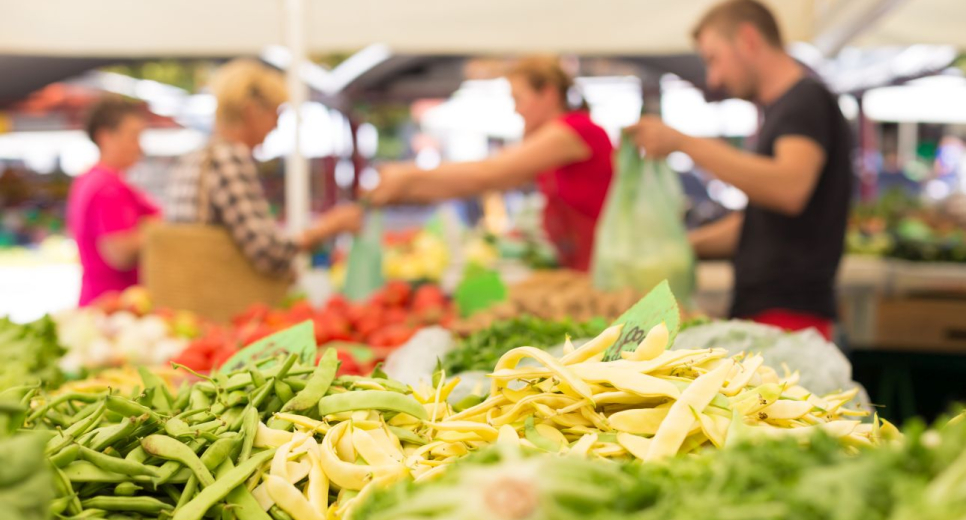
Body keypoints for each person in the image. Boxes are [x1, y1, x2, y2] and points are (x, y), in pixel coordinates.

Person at [627, 0, 853, 339]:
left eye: (714, 59)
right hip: (770, 311)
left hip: (791, 315)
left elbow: (788, 189)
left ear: (748, 39)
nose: (714, 77)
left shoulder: (806, 102)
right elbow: (759, 224)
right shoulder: (783, 111)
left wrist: (684, 143)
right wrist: (683, 246)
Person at [367, 56, 614, 271]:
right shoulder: (556, 140)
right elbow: (482, 182)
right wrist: (406, 191)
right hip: (581, 266)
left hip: (603, 267)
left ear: (548, 94)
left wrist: (409, 175)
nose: (516, 110)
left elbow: (489, 173)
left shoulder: (575, 130)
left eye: (518, 99)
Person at [167, 59, 362, 277]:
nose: (276, 126)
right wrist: (329, 227)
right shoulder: (228, 158)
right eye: (276, 114)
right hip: (221, 298)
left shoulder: (195, 158)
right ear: (251, 111)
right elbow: (268, 251)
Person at [67, 95, 160, 305]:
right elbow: (119, 252)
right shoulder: (108, 187)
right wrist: (158, 230)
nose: (139, 147)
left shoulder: (90, 179)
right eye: (133, 136)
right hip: (113, 306)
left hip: (103, 302)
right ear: (105, 137)